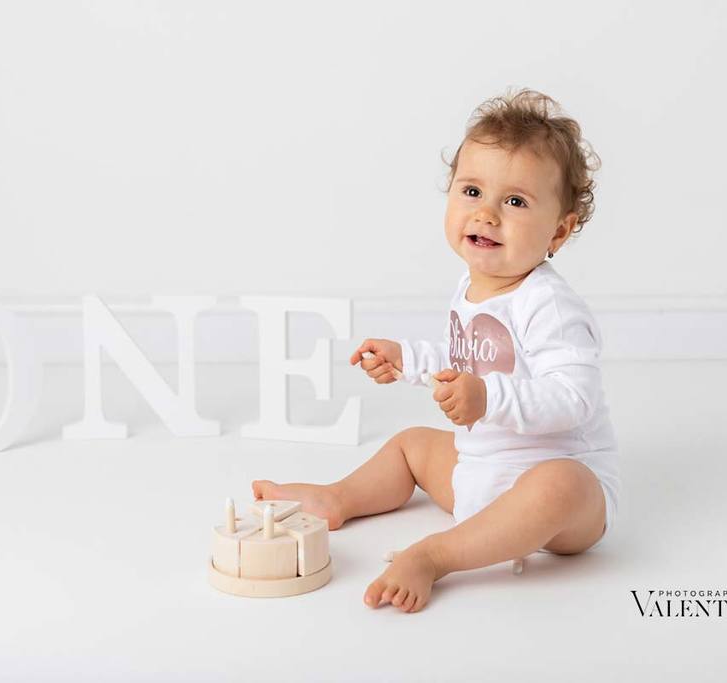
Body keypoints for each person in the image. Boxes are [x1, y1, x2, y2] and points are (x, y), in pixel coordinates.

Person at [253, 87, 620, 613]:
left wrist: (487, 400)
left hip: (559, 495)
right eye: (472, 191)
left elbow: (573, 399)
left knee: (560, 484)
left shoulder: (550, 304)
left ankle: (435, 555)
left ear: (558, 231)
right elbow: (465, 360)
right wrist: (406, 359)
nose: (487, 213)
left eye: (515, 201)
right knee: (411, 445)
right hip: (480, 474)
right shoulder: (470, 286)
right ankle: (339, 498)